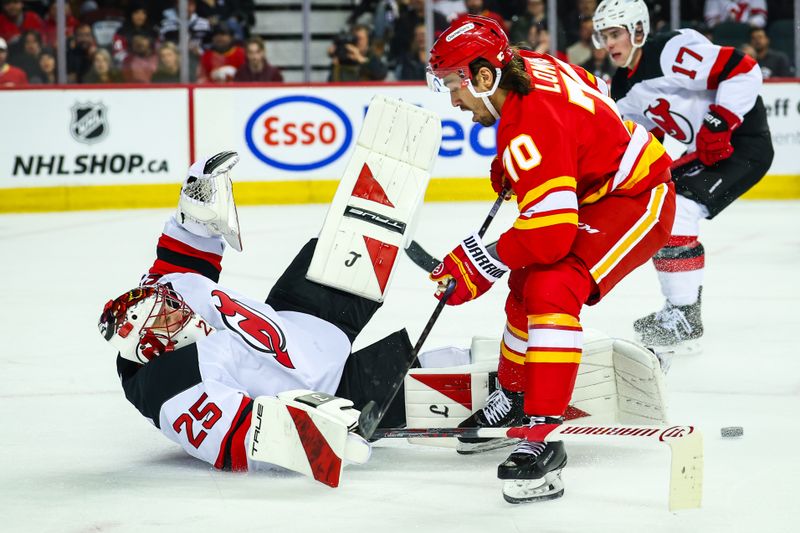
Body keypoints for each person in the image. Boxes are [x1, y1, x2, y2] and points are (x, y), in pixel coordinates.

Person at [425, 15, 675, 503]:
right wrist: (527, 166)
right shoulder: (525, 65)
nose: (453, 99)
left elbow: (551, 237)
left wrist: (478, 260)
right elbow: (592, 86)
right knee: (524, 283)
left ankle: (542, 434)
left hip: (637, 198)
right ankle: (517, 398)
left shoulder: (528, 125)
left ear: (482, 77)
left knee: (551, 286)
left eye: (454, 83)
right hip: (598, 190)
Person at [97, 151, 413, 476]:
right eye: (167, 320)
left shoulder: (164, 289)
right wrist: (317, 435)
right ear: (155, 348)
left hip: (301, 322)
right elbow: (237, 439)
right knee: (418, 377)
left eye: (168, 307)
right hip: (327, 388)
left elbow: (186, 246)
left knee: (354, 238)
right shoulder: (168, 385)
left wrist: (200, 192)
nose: (177, 311)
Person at [592, 0, 773, 353]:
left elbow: (744, 69)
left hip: (744, 143)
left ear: (638, 31)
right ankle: (680, 309)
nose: (609, 44)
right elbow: (640, 142)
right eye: (604, 36)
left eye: (615, 34)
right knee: (663, 208)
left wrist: (720, 122)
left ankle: (684, 316)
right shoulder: (623, 87)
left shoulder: (669, 51)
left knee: (680, 214)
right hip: (707, 150)